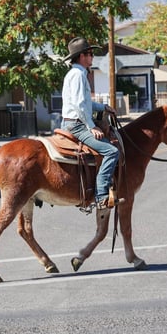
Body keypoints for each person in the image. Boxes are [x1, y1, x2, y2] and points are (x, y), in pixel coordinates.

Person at [61, 37, 119, 210]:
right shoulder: (78, 75)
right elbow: (79, 105)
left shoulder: (75, 73)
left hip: (72, 121)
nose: (92, 57)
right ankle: (101, 196)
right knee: (111, 151)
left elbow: (84, 102)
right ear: (81, 56)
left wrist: (103, 107)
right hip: (77, 125)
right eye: (89, 54)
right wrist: (91, 126)